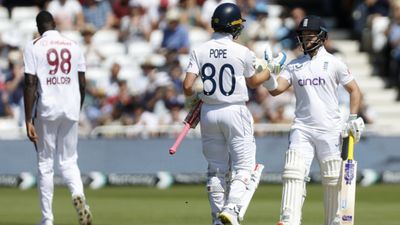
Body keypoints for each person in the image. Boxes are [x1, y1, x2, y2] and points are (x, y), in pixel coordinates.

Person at [182, 3, 284, 225]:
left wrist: (196, 101)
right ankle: (231, 208)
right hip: (235, 110)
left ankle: (218, 220)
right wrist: (272, 68)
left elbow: (188, 85)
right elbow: (255, 82)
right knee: (244, 166)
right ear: (235, 26)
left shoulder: (199, 50)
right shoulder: (242, 51)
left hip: (209, 112)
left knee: (216, 170)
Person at [261, 16, 365, 225]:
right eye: (303, 35)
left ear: (322, 37)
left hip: (330, 128)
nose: (306, 39)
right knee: (294, 170)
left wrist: (353, 117)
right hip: (302, 127)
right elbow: (276, 90)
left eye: (310, 35)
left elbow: (355, 91)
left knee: (333, 177)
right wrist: (269, 73)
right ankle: (288, 219)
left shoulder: (334, 63)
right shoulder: (294, 65)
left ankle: (336, 219)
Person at [23, 11, 92, 225]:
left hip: (47, 109)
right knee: (69, 161)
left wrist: (27, 119)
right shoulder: (74, 45)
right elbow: (82, 83)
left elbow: (30, 84)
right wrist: (76, 110)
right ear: (54, 24)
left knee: (45, 164)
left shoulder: (33, 46)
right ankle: (78, 195)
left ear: (39, 27)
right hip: (70, 108)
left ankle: (47, 219)